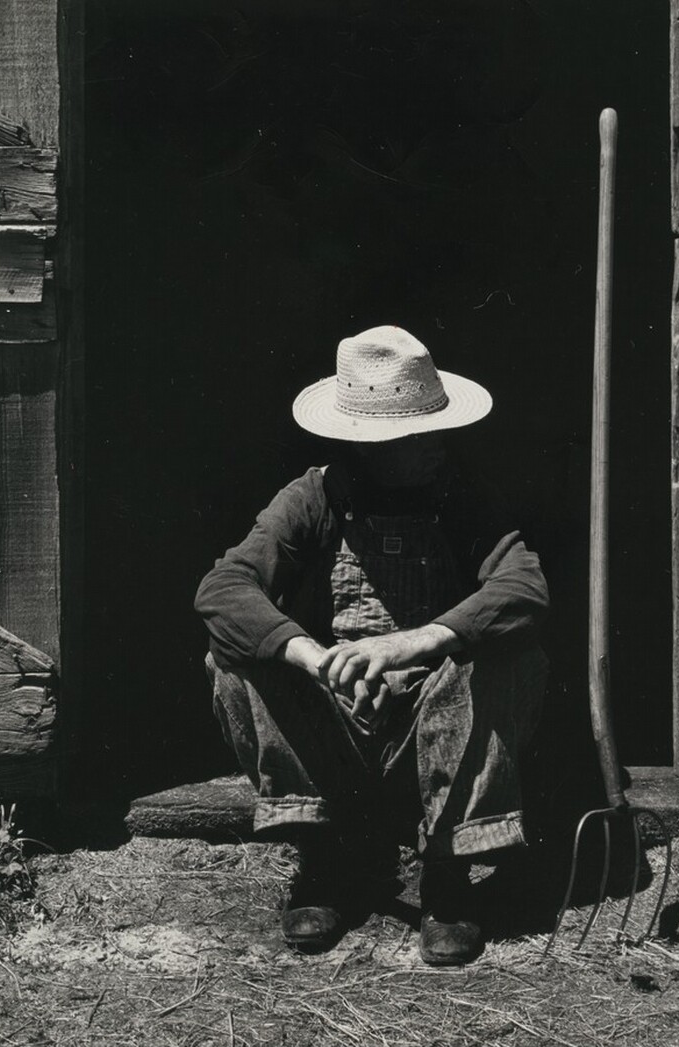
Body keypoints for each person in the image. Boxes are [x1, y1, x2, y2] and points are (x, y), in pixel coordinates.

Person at [195, 326, 549, 965]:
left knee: (505, 651)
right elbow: (224, 589)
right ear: (371, 444)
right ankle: (325, 859)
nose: (439, 444)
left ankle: (447, 873)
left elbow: (523, 587)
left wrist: (413, 642)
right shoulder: (315, 498)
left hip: (437, 731)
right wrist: (312, 655)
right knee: (233, 657)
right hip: (338, 734)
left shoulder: (460, 496)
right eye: (420, 435)